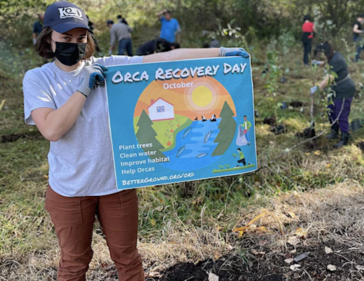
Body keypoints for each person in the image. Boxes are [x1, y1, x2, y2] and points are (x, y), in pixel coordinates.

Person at [23, 2, 248, 280]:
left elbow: (166, 59)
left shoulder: (110, 69)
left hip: (116, 184)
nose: (75, 44)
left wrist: (221, 54)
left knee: (128, 258)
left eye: (81, 38)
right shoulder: (38, 79)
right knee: (73, 263)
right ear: (49, 39)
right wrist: (84, 88)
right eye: (66, 38)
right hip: (70, 190)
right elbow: (52, 129)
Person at [310, 42, 356, 148]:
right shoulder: (332, 57)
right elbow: (325, 63)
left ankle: (344, 138)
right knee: (330, 110)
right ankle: (334, 132)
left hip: (344, 90)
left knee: (341, 114)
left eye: (321, 55)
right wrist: (317, 63)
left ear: (326, 53)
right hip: (334, 89)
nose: (321, 57)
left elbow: (329, 78)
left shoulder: (337, 60)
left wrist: (318, 88)